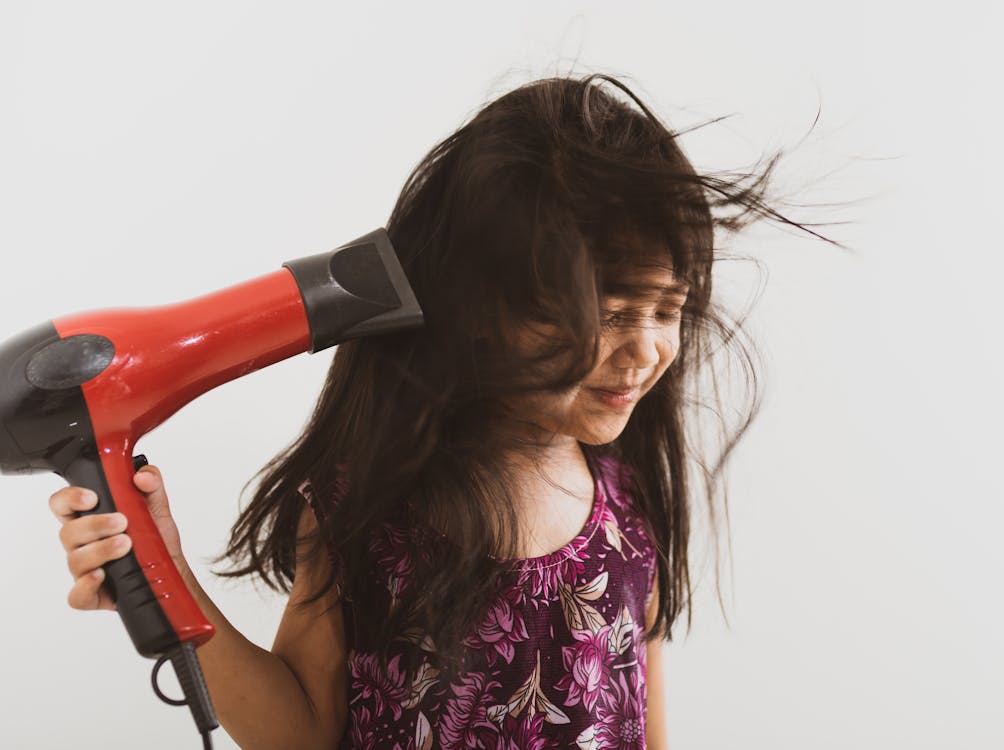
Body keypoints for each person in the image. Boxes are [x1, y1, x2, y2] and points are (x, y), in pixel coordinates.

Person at [48, 73, 836, 748]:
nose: (642, 350)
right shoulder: (367, 505)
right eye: (604, 312)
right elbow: (299, 732)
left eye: (666, 309)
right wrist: (163, 574)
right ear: (479, 304)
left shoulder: (627, 513)